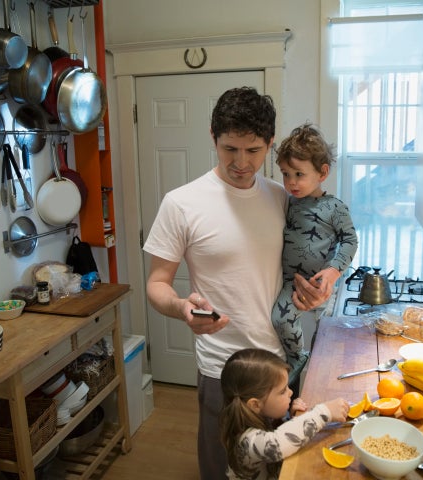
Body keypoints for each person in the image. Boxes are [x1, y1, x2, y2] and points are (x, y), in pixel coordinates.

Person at [142, 87, 333, 480]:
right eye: (230, 149)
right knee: (222, 468)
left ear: (270, 143)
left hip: (281, 362)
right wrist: (181, 308)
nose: (241, 163)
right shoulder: (181, 203)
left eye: (253, 151)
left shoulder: (283, 197)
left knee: (283, 463)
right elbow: (156, 284)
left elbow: (302, 268)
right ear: (213, 136)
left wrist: (315, 293)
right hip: (223, 368)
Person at [271, 124, 358, 386]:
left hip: (323, 284)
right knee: (280, 318)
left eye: (299, 174)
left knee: (329, 340)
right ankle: (298, 357)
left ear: (323, 173)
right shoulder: (286, 203)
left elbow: (350, 239)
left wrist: (333, 270)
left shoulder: (335, 207)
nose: (291, 182)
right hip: (292, 281)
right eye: (286, 174)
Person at [219, 348, 349, 480]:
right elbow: (277, 444)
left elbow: (276, 431)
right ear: (255, 405)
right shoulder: (245, 439)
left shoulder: (261, 415)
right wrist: (323, 412)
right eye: (282, 391)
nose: (291, 392)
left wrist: (290, 419)